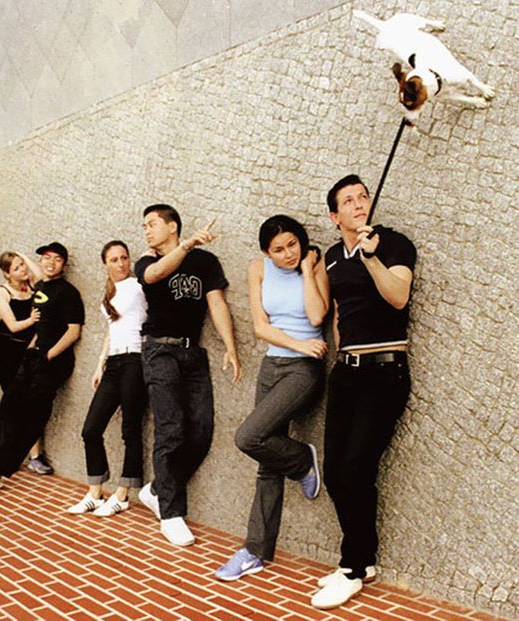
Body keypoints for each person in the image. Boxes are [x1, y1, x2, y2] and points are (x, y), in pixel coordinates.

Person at [310, 175, 416, 609]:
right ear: (335, 216)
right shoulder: (334, 256)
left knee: (356, 468)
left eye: (363, 197)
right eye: (348, 201)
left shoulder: (393, 244)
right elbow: (337, 314)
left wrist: (371, 258)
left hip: (385, 371)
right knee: (337, 471)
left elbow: (398, 296)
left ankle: (351, 568)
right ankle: (364, 560)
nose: (358, 204)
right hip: (347, 372)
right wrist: (340, 359)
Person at [215, 215, 330, 581]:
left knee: (248, 437)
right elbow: (260, 327)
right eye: (278, 249)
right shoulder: (257, 269)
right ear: (267, 252)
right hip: (273, 365)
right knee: (265, 459)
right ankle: (255, 551)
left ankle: (300, 461)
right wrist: (298, 343)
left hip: (303, 370)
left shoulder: (314, 263)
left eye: (292, 244)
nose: (288, 254)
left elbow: (317, 315)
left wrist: (308, 270)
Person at [134, 204, 242, 546]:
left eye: (152, 224)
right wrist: (186, 246)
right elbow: (155, 275)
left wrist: (230, 347)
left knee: (201, 431)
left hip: (193, 353)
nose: (147, 230)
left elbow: (217, 304)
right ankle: (170, 514)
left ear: (172, 226)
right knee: (170, 430)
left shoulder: (205, 262)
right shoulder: (146, 261)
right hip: (159, 351)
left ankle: (157, 489)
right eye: (144, 226)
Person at [0, 242, 85, 493]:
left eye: (57, 259)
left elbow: (73, 331)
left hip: (52, 363)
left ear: (64, 264)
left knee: (31, 417)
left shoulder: (67, 292)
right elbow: (39, 289)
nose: (50, 263)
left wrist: (48, 354)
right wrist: (32, 349)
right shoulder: (40, 288)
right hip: (31, 359)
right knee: (9, 408)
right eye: (46, 258)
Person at [67, 240, 149, 517]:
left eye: (124, 257)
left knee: (130, 430)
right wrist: (100, 364)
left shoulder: (138, 286)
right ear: (105, 264)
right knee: (90, 429)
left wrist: (149, 255)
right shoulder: (110, 292)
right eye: (114, 259)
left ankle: (123, 494)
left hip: (135, 360)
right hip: (114, 362)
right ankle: (95, 493)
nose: (121, 263)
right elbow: (112, 330)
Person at [0, 251, 54, 475]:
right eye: (16, 268)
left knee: (28, 403)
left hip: (26, 352)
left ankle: (30, 455)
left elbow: (42, 277)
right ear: (6, 274)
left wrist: (22, 255)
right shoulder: (2, 293)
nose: (23, 269)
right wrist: (32, 320)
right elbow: (13, 326)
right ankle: (10, 454)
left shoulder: (32, 287)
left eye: (23, 265)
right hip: (4, 352)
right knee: (14, 403)